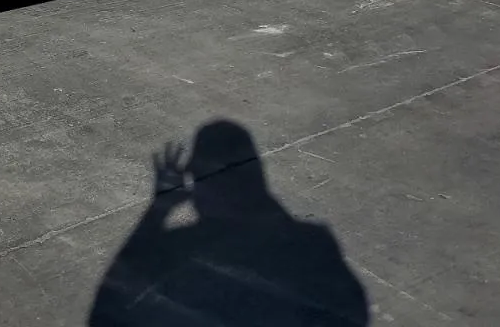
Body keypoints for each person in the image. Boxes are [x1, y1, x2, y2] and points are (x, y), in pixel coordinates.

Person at [89, 120, 370, 326]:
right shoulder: (313, 244)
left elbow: (106, 309)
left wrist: (160, 208)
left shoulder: (182, 250)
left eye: (200, 178)